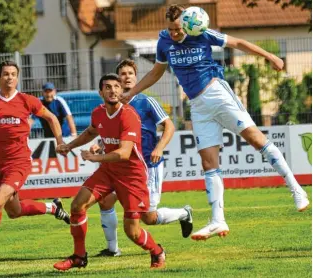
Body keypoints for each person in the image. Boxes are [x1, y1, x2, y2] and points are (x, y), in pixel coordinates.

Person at [121, 4, 310, 241]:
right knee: (208, 162)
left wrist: (270, 56)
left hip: (216, 93)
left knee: (255, 139)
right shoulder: (164, 42)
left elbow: (238, 43)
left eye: (178, 29)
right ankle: (217, 220)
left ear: (189, 26)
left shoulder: (202, 33)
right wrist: (132, 92)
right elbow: (156, 72)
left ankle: (297, 190)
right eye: (171, 29)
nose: (174, 34)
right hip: (197, 106)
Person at [0, 61, 70, 265]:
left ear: (17, 78)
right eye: (5, 74)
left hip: (20, 161)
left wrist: (60, 142)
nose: (9, 77)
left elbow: (52, 118)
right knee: (14, 211)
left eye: (13, 74)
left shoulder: (26, 100)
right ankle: (53, 208)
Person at [53, 73, 166, 271]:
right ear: (101, 92)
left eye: (116, 86)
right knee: (77, 205)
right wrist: (69, 145)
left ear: (122, 91)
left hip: (132, 176)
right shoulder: (98, 112)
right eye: (108, 87)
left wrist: (95, 157)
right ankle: (79, 256)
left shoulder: (129, 115)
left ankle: (157, 251)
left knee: (132, 232)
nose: (113, 90)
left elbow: (123, 153)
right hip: (108, 171)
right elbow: (91, 132)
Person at [95, 59, 193, 257]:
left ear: (136, 78)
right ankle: (112, 249)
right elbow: (110, 132)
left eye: (130, 73)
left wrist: (159, 147)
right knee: (105, 201)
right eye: (123, 74)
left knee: (149, 217)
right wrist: (100, 146)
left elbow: (169, 126)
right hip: (120, 167)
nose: (127, 77)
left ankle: (184, 213)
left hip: (148, 165)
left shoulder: (146, 101)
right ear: (117, 81)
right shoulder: (111, 106)